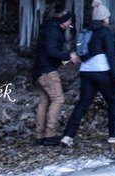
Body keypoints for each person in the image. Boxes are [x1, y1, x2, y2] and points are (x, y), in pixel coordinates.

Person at [60, 0, 115, 146]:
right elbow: (110, 54)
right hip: (102, 72)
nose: (108, 19)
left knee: (83, 104)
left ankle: (68, 135)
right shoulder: (105, 32)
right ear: (104, 18)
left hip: (85, 71)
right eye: (107, 17)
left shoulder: (86, 30)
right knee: (113, 101)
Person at [32, 9, 78, 146]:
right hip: (47, 72)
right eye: (69, 20)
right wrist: (69, 56)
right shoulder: (53, 31)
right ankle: (50, 135)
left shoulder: (48, 28)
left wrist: (67, 60)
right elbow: (51, 51)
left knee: (44, 102)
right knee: (58, 99)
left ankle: (39, 135)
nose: (70, 23)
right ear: (63, 21)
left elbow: (51, 53)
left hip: (39, 70)